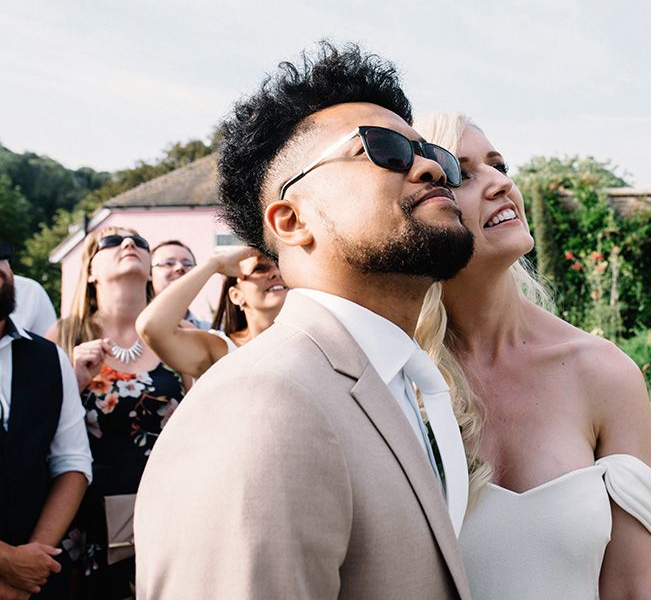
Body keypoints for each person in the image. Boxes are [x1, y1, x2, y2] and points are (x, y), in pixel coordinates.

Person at [134, 42, 475, 599]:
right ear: (291, 220)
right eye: (384, 150)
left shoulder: (397, 382)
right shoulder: (261, 401)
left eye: (434, 153)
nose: (433, 167)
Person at [413, 113, 651, 600]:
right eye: (462, 174)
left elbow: (634, 587)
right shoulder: (397, 377)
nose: (500, 183)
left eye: (498, 164)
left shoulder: (604, 374)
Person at [46, 228, 185, 600]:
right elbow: (33, 432)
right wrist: (74, 381)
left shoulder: (179, 335)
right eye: (112, 241)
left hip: (171, 508)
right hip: (86, 517)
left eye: (140, 242)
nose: (129, 245)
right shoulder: (61, 337)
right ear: (90, 271)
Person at [0, 245, 92, 599]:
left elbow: (73, 462)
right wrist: (5, 561)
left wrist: (30, 565)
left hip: (37, 579)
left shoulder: (47, 357)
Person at [136, 245, 287, 381]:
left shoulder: (308, 344)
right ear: (236, 295)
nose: (275, 273)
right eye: (260, 268)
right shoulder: (218, 350)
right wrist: (216, 263)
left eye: (279, 267)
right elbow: (152, 328)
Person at [149, 240, 209, 329]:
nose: (180, 267)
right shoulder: (130, 330)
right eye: (168, 263)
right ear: (149, 273)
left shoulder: (213, 332)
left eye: (187, 264)